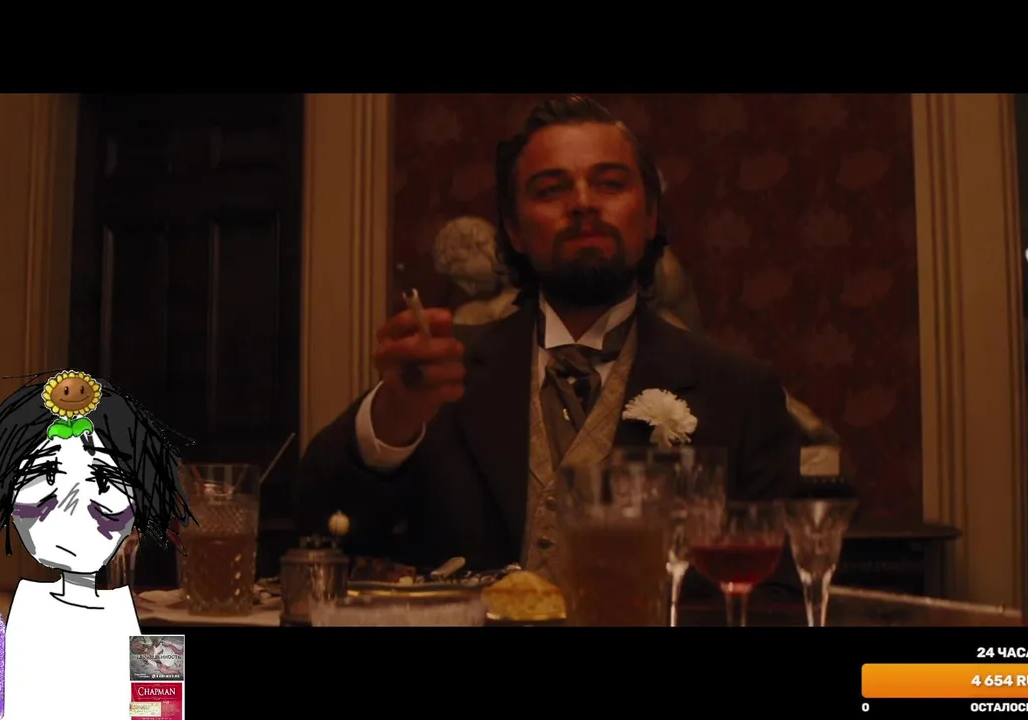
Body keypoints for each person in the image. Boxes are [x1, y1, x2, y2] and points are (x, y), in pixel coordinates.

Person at [295, 95, 801, 588]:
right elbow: (318, 529)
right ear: (515, 230)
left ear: (650, 217)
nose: (582, 203)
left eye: (609, 183)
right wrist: (392, 421)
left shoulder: (739, 393)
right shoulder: (440, 374)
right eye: (550, 189)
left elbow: (776, 596)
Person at [0, 370, 194, 720]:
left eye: (104, 479)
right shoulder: (10, 619)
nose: (73, 504)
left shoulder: (146, 626)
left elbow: (160, 711)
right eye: (47, 474)